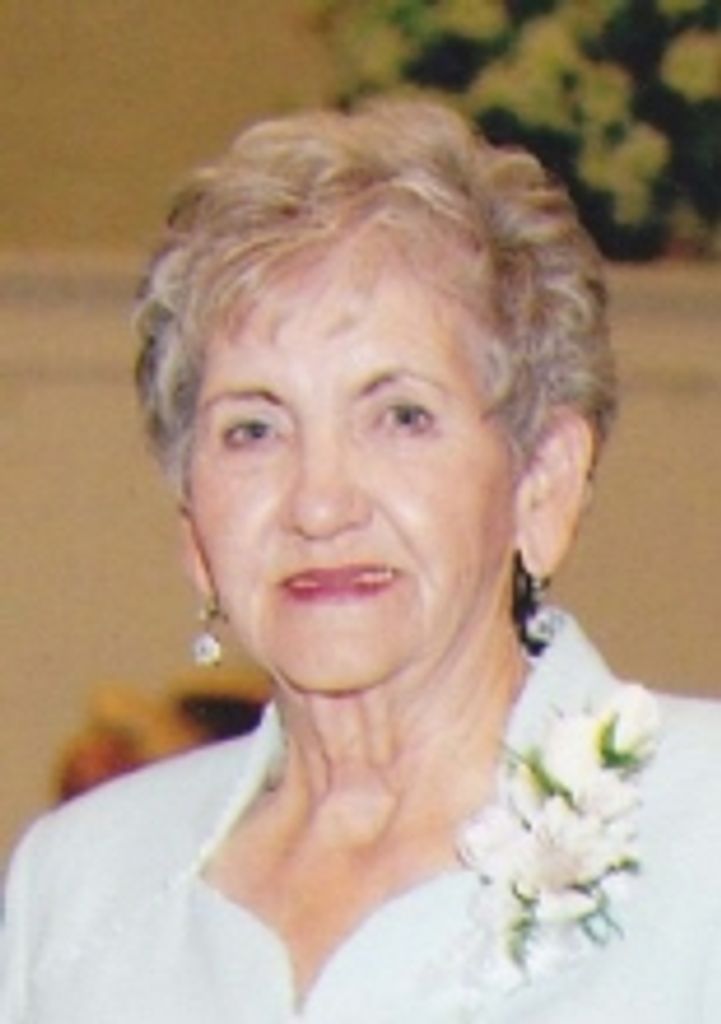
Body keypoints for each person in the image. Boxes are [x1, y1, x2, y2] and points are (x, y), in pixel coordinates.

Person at [2, 96, 721, 1023]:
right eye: (252, 430)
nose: (319, 504)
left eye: (400, 417)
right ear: (192, 523)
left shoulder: (702, 831)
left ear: (541, 481)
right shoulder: (80, 885)